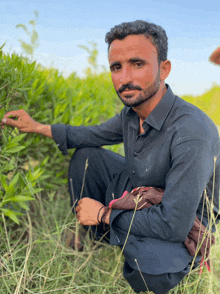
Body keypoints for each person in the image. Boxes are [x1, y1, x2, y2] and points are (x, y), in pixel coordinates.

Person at [1, 20, 220, 294]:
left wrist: (105, 213)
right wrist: (35, 127)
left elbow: (174, 223)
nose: (124, 77)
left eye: (137, 64)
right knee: (87, 157)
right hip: (142, 194)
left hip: (183, 218)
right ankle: (102, 236)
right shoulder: (131, 114)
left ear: (164, 69)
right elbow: (91, 135)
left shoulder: (191, 131)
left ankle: (176, 255)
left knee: (152, 274)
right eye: (116, 67)